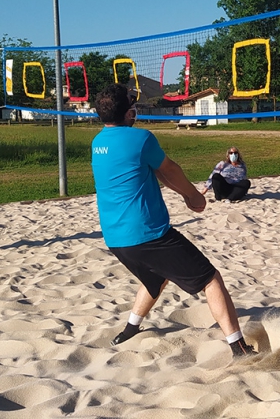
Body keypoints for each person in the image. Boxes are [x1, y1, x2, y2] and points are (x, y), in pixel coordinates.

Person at [91, 84, 255, 357]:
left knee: (156, 277)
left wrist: (184, 194)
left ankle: (130, 329)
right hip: (149, 235)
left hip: (116, 239)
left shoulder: (97, 143)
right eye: (133, 103)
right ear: (129, 111)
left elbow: (154, 173)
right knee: (211, 279)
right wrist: (193, 196)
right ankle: (238, 347)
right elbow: (169, 169)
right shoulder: (140, 139)